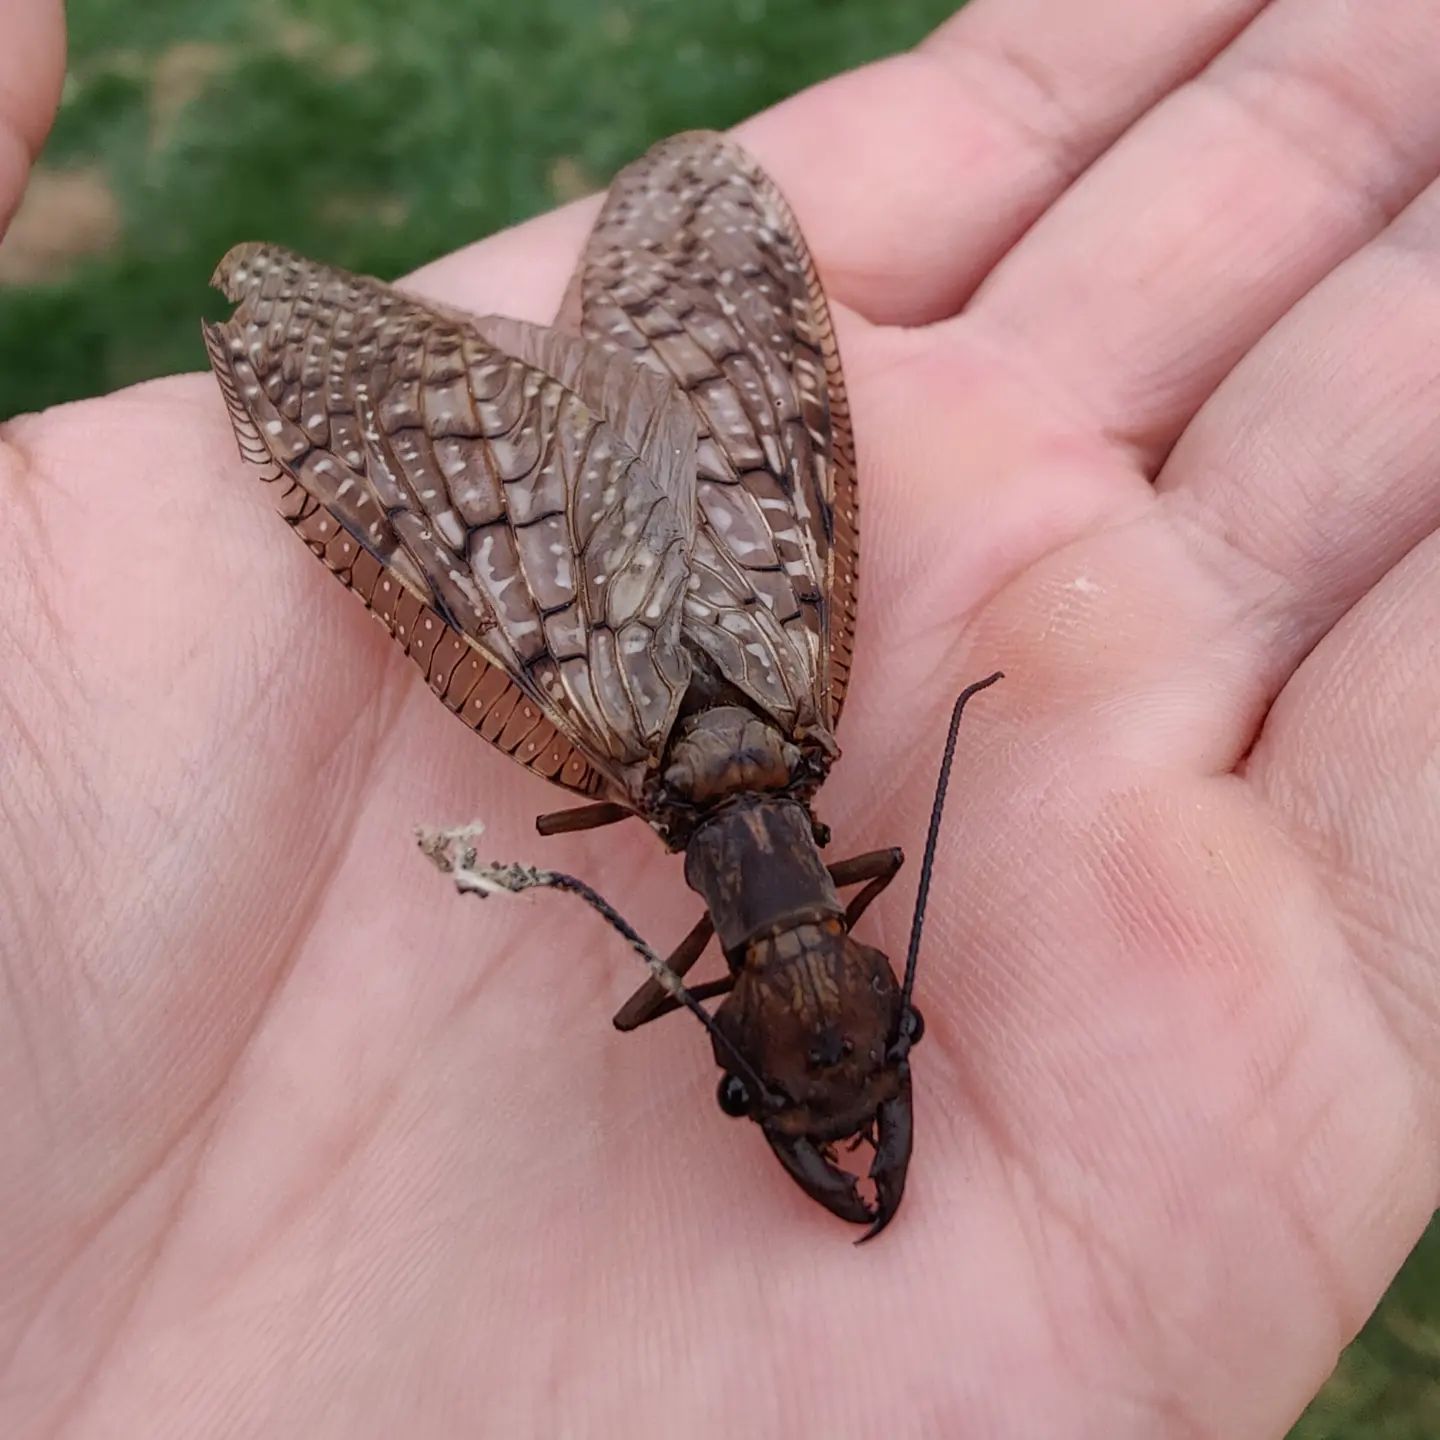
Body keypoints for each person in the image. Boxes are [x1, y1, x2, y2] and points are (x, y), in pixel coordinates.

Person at [4, 1, 1437, 1435]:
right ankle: (342, 344)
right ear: (866, 960)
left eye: (775, 1083)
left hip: (605, 658)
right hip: (658, 674)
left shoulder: (692, 734)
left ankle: (354, 351)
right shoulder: (751, 735)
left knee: (434, 541)